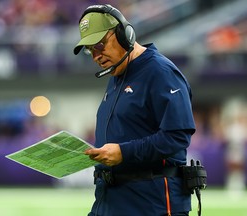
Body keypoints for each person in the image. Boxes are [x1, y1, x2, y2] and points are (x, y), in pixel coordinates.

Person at [73, 4, 196, 216]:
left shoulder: (160, 72)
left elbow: (177, 136)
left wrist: (124, 152)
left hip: (151, 203)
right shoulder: (117, 77)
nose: (95, 55)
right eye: (89, 49)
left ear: (124, 35)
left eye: (99, 45)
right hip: (109, 201)